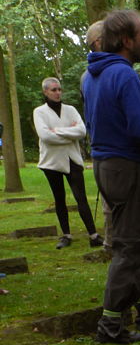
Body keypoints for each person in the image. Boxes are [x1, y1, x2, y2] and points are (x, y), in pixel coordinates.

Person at [83, 9, 140, 344]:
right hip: (128, 167)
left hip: (107, 166)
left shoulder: (93, 75)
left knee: (136, 239)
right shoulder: (125, 76)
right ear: (126, 40)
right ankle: (111, 326)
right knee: (133, 247)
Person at [33, 78, 103, 250]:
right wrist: (68, 134)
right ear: (46, 92)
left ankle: (93, 235)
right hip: (51, 162)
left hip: (72, 159)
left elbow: (81, 131)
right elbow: (45, 136)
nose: (57, 93)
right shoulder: (39, 112)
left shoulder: (70, 110)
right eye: (53, 90)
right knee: (59, 198)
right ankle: (66, 235)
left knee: (81, 198)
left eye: (59, 89)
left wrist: (57, 131)